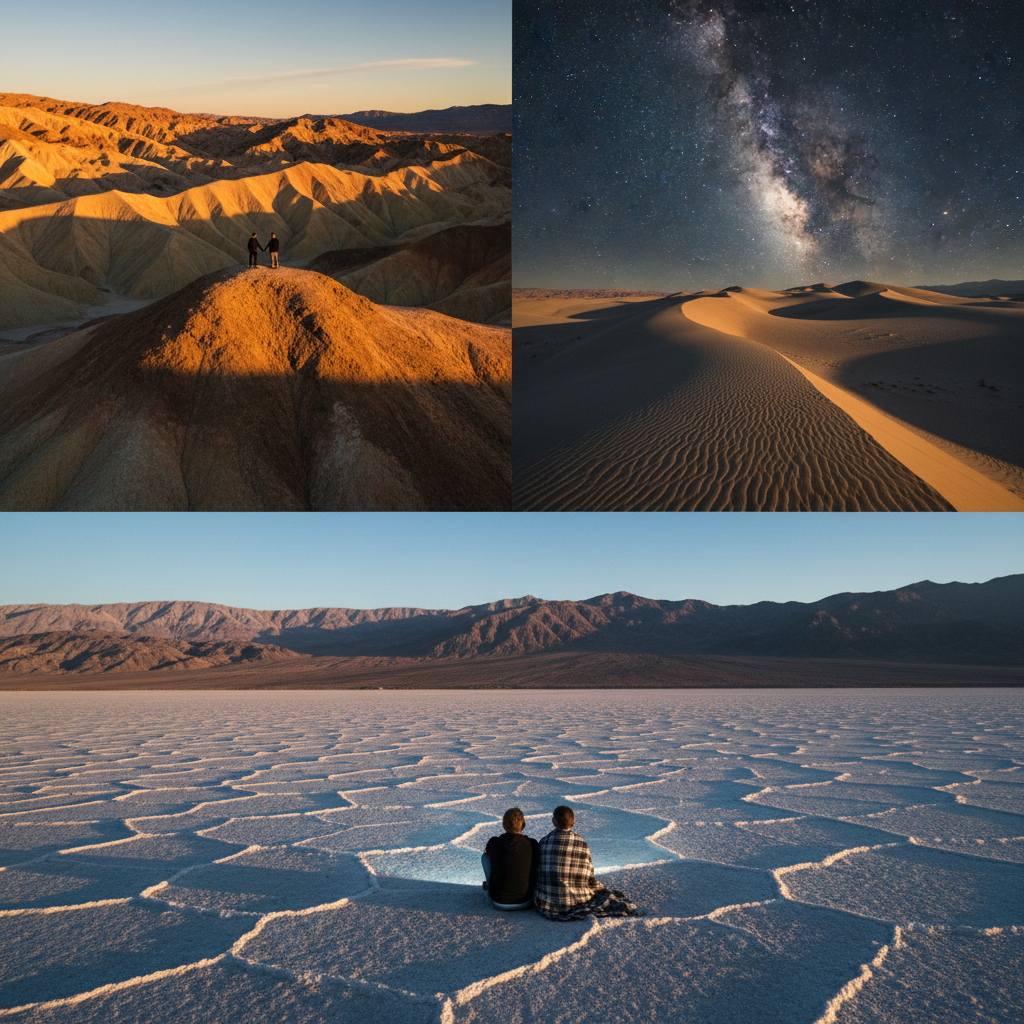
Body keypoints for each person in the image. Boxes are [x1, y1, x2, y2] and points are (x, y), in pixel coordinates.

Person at [534, 805, 639, 921]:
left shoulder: (544, 842)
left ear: (554, 822)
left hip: (548, 901)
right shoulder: (582, 843)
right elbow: (589, 876)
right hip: (576, 899)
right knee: (603, 894)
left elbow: (538, 870)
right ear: (573, 822)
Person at [481, 807, 539, 910]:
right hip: (526, 900)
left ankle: (491, 885)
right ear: (523, 824)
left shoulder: (494, 842)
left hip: (498, 901)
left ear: (504, 825)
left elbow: (488, 855)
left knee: (484, 857)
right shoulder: (532, 844)